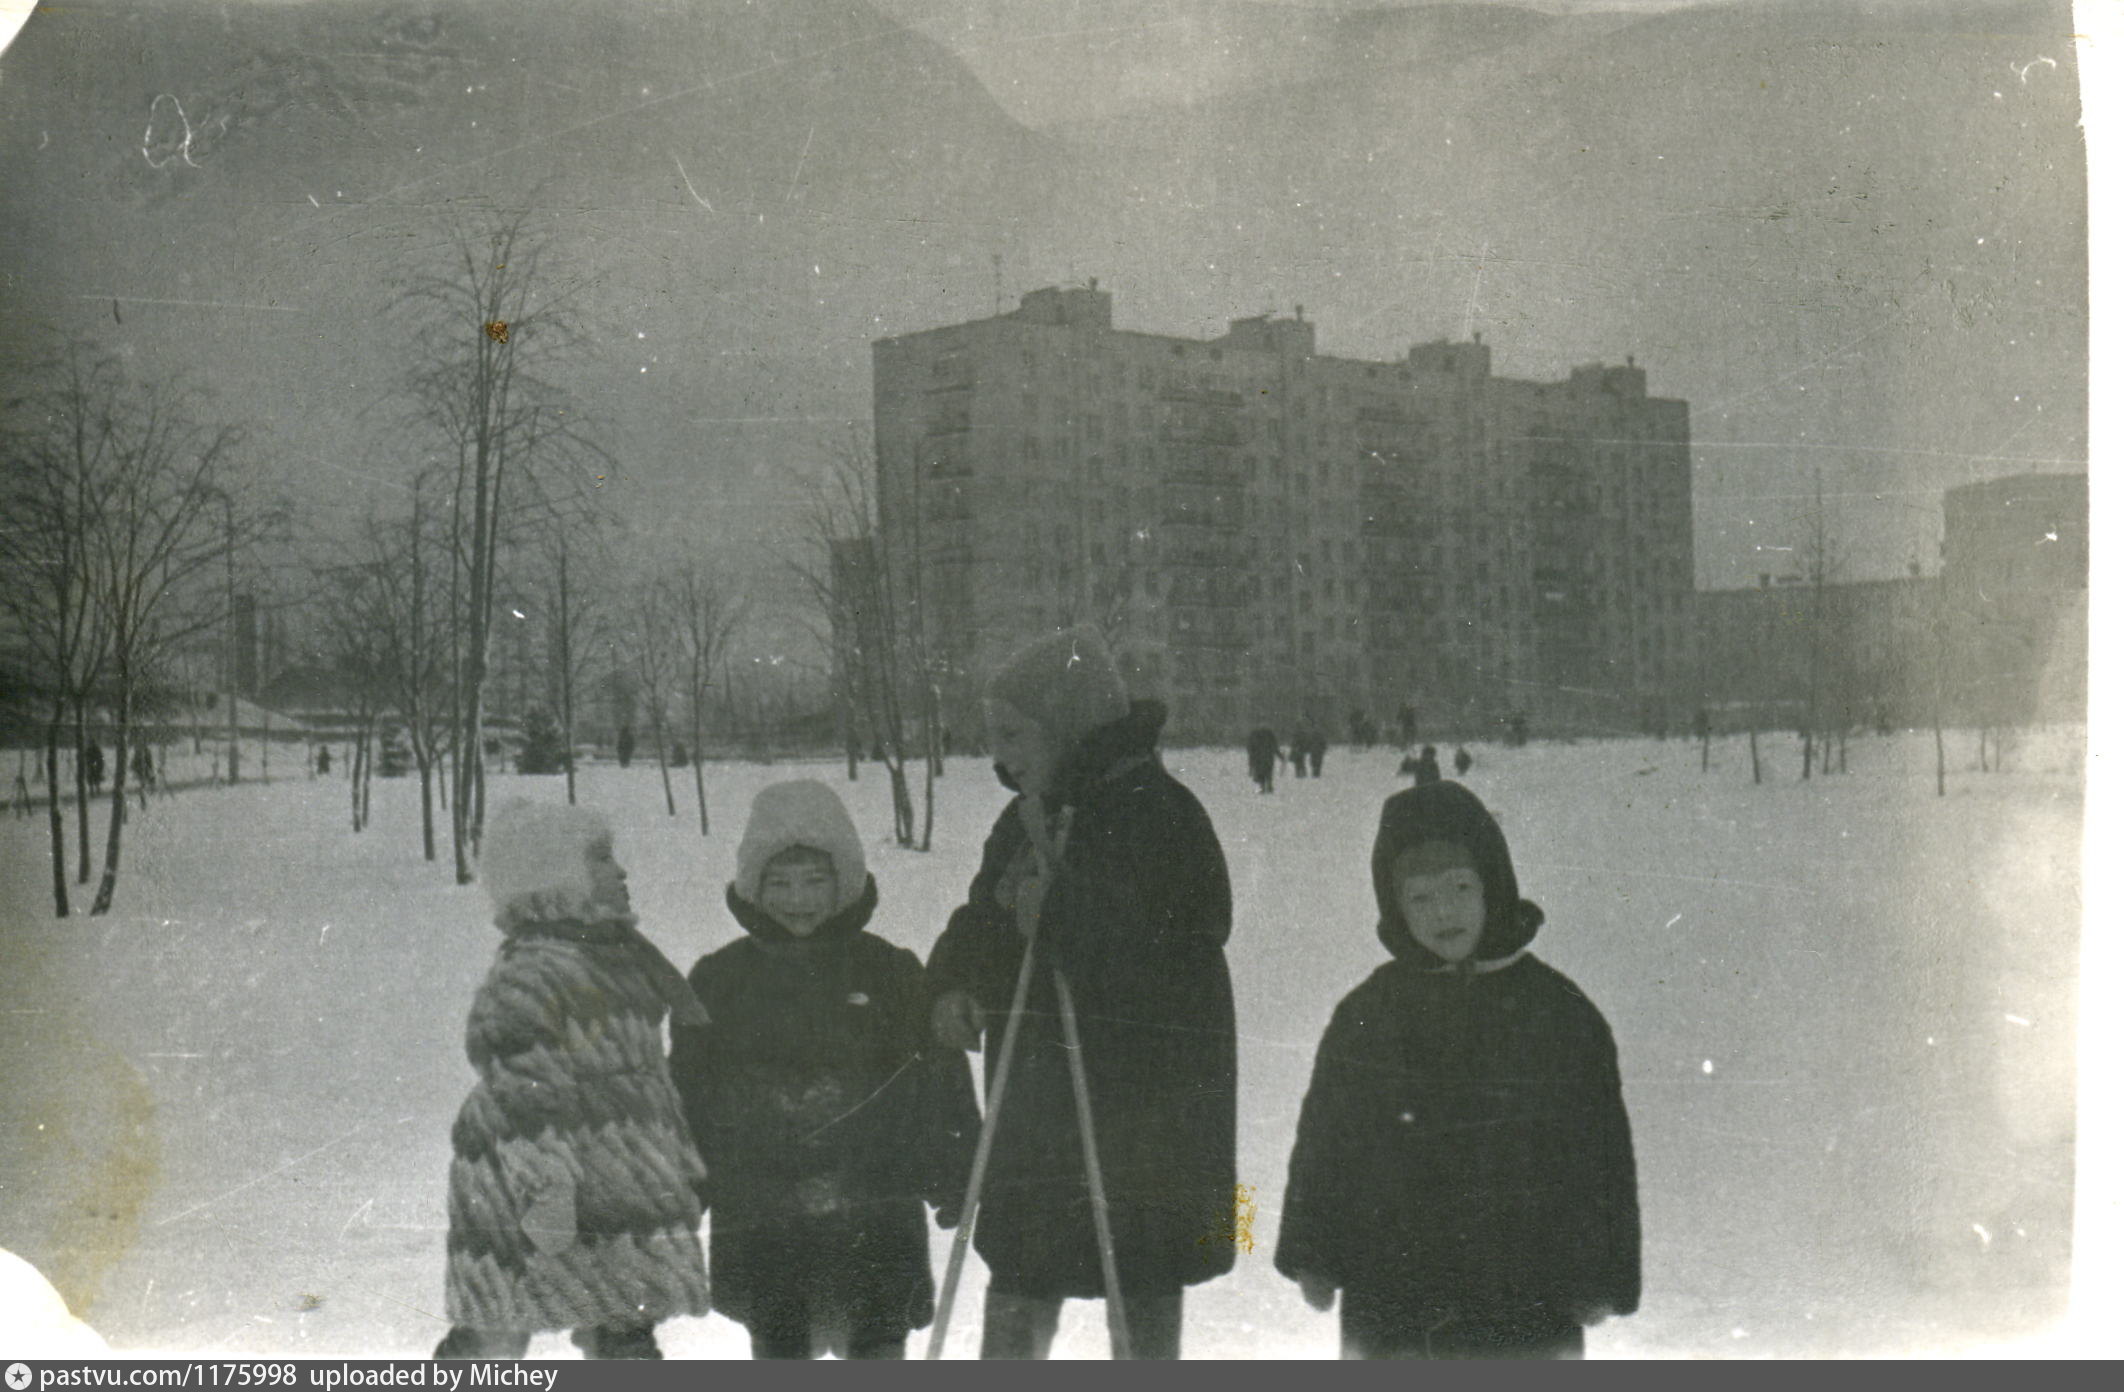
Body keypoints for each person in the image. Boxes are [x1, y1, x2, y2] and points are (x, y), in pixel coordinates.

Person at [929, 626, 1237, 1359]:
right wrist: (955, 981)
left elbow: (1187, 942)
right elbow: (983, 919)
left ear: (1067, 728)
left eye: (1013, 733)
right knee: (1024, 1277)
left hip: (1144, 1114)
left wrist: (1064, 918)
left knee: (1141, 1275)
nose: (997, 754)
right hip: (1039, 1112)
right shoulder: (1025, 818)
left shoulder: (1161, 814)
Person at [1275, 781, 1640, 1360]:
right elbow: (1326, 1139)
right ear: (1394, 906)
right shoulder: (1368, 1013)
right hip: (1394, 1295)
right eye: (1418, 899)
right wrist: (1315, 1252)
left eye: (1459, 888)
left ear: (1493, 886)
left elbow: (1599, 1155)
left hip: (1525, 1295)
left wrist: (1600, 1272)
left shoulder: (1561, 1015)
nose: (1442, 911)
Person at [669, 781, 979, 1360]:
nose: (798, 898)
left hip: (874, 1217)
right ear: (753, 887)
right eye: (779, 882)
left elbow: (936, 1080)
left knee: (876, 1346)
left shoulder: (890, 972)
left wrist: (956, 1168)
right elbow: (690, 1098)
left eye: (816, 880)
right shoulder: (719, 981)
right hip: (767, 1224)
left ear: (846, 882)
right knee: (781, 1344)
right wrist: (683, 1189)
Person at [435, 801, 710, 1361]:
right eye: (602, 859)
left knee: (625, 1329)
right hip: (530, 1191)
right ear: (555, 880)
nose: (621, 872)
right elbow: (524, 1098)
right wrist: (546, 1194)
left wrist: (677, 1166)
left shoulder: (621, 961)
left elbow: (645, 1083)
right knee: (496, 1330)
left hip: (616, 1188)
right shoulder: (534, 971)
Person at [1245, 726, 1280, 794]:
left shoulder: (1254, 735)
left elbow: (1250, 748)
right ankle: (1269, 786)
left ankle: (1263, 787)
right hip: (1268, 757)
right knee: (1268, 772)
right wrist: (1280, 756)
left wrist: (1251, 759)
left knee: (1261, 773)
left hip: (1258, 758)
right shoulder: (1269, 734)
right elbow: (1275, 747)